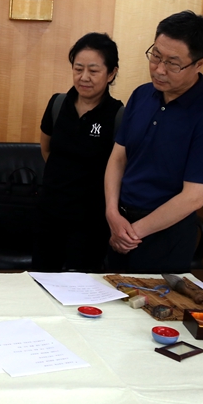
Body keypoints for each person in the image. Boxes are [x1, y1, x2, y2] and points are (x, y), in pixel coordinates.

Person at [105, 10, 203, 273]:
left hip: (164, 237)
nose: (159, 70)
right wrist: (112, 213)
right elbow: (118, 158)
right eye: (156, 56)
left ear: (200, 63)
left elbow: (193, 198)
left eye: (173, 64)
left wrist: (132, 234)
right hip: (119, 224)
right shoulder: (141, 95)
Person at [34, 33, 123, 272]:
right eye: (78, 69)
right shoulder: (57, 104)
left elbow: (118, 167)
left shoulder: (117, 115)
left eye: (93, 71)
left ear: (111, 73)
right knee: (41, 279)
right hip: (49, 213)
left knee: (81, 283)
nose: (84, 77)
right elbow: (46, 149)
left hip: (90, 221)